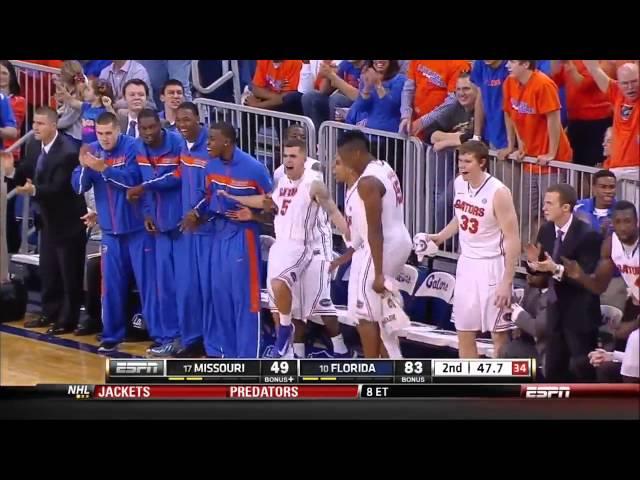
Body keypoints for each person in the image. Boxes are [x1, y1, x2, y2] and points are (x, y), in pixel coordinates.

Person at [221, 139, 351, 358]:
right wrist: (233, 196)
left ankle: (330, 345)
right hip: (280, 246)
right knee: (277, 301)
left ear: (304, 159)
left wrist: (350, 235)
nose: (288, 160)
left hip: (303, 247)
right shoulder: (282, 182)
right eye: (285, 156)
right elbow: (266, 201)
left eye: (293, 156)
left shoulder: (313, 182)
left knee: (296, 292)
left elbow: (332, 211)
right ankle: (288, 352)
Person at [70, 111, 157, 353]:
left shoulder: (132, 147)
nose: (105, 138)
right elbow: (78, 187)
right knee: (110, 288)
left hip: (137, 229)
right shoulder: (92, 151)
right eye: (100, 133)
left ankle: (160, 336)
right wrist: (85, 166)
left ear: (118, 130)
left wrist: (104, 168)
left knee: (148, 285)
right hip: (110, 232)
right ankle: (111, 336)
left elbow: (133, 182)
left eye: (109, 133)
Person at [184, 122, 273, 358]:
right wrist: (196, 212)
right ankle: (223, 353)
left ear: (227, 141)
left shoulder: (254, 168)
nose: (208, 143)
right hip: (218, 231)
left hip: (244, 235)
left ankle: (248, 356)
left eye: (212, 139)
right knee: (219, 293)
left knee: (245, 299)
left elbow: (275, 206)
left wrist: (253, 215)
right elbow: (208, 196)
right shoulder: (210, 165)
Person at [429, 140, 520, 358]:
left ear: (482, 163)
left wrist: (507, 281)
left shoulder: (499, 192)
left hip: (492, 265)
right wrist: (441, 236)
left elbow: (513, 238)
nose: (462, 165)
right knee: (464, 331)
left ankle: (499, 387)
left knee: (499, 335)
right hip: (466, 265)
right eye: (460, 160)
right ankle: (471, 384)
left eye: (468, 161)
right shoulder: (459, 183)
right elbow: (461, 218)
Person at [1, 107, 86, 334]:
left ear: (53, 125)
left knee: (68, 274)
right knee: (49, 270)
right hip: (47, 221)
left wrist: (34, 190)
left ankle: (67, 320)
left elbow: (58, 188)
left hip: (69, 222)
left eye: (40, 124)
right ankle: (49, 313)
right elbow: (26, 172)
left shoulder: (67, 151)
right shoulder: (33, 145)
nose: (35, 128)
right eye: (34, 123)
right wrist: (11, 173)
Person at [338, 130, 412, 358]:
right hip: (400, 239)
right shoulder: (383, 166)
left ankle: (372, 367)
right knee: (383, 314)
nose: (345, 165)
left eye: (344, 158)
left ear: (357, 153)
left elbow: (375, 231)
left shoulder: (367, 182)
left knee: (364, 314)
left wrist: (379, 274)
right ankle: (390, 365)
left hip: (382, 246)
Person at [150, 102, 210, 357]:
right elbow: (177, 177)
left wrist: (197, 210)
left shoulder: (211, 145)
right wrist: (147, 187)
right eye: (179, 120)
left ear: (198, 118)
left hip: (208, 229)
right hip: (187, 228)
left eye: (188, 120)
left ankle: (204, 342)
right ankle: (186, 339)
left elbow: (215, 186)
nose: (183, 125)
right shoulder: (183, 148)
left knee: (200, 289)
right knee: (181, 287)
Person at [526, 184, 602, 381]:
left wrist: (554, 269)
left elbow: (586, 279)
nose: (544, 208)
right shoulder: (546, 230)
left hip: (580, 314)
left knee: (582, 372)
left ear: (566, 208)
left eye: (549, 203)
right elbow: (542, 269)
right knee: (553, 371)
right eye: (544, 203)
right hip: (554, 310)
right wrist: (533, 265)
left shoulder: (588, 235)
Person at [125, 109, 184, 356]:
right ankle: (170, 337)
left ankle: (188, 338)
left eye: (152, 128)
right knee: (164, 286)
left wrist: (145, 186)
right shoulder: (138, 147)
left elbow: (177, 178)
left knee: (185, 287)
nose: (148, 133)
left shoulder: (178, 143)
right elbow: (142, 186)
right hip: (158, 226)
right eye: (143, 128)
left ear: (161, 125)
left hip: (182, 227)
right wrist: (147, 213)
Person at [563, 200, 639, 383]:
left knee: (634, 341)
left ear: (637, 222)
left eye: (628, 221)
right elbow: (599, 286)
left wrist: (633, 324)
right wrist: (580, 276)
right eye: (618, 222)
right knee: (630, 359)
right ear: (612, 223)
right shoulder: (610, 245)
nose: (623, 227)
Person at [502, 60, 574, 245]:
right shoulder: (509, 82)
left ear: (525, 64)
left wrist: (551, 153)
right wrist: (516, 146)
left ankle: (551, 257)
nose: (507, 65)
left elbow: (554, 119)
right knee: (526, 212)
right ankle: (526, 258)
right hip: (530, 159)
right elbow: (512, 114)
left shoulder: (543, 84)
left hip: (551, 163)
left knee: (552, 214)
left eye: (512, 61)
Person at [583, 61, 639, 204]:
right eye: (625, 83)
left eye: (634, 82)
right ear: (618, 83)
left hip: (634, 172)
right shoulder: (617, 93)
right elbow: (593, 68)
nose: (630, 87)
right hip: (615, 171)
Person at [574, 169, 628, 310]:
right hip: (583, 275)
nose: (608, 191)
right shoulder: (579, 208)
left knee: (609, 325)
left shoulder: (625, 212)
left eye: (611, 187)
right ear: (594, 188)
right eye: (603, 187)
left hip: (613, 279)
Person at [551, 60, 614, 167]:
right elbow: (555, 80)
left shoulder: (601, 62)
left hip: (598, 122)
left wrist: (569, 65)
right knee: (576, 164)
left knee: (595, 165)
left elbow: (584, 85)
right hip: (575, 120)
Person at [399, 60, 471, 137]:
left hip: (442, 129)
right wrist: (406, 115)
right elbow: (408, 88)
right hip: (413, 127)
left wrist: (423, 122)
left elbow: (453, 100)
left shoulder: (459, 64)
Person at [346, 60, 405, 133]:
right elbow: (361, 108)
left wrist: (378, 84)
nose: (379, 60)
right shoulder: (367, 77)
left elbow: (390, 109)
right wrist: (367, 88)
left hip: (388, 135)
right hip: (367, 132)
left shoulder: (400, 80)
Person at [302, 60, 365, 128]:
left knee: (337, 99)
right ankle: (316, 137)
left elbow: (360, 98)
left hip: (363, 108)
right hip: (344, 104)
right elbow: (324, 91)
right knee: (310, 96)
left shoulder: (370, 67)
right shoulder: (345, 64)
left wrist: (333, 76)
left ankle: (336, 137)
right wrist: (328, 74)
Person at [57, 78, 116, 145]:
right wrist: (63, 92)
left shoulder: (103, 112)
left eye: (88, 89)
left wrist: (108, 106)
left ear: (97, 96)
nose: (84, 91)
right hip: (85, 145)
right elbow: (72, 102)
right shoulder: (86, 106)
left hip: (98, 148)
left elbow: (114, 120)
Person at [0, 60, 26, 154]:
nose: (1, 76)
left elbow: (13, 128)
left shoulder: (19, 100)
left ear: (11, 77)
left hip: (9, 150)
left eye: (4, 73)